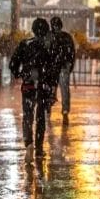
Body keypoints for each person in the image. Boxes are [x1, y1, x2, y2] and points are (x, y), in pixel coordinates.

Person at [9, 18, 62, 153]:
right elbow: (54, 69)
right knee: (40, 116)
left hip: (28, 85)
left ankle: (28, 143)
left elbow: (13, 63)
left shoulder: (25, 44)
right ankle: (39, 146)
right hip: (43, 86)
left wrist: (19, 73)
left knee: (27, 115)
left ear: (32, 30)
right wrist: (52, 86)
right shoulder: (50, 47)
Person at [50, 16, 76, 120]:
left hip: (54, 67)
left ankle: (49, 107)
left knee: (52, 88)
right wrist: (69, 65)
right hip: (63, 66)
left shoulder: (50, 37)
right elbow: (72, 53)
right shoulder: (67, 37)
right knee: (64, 89)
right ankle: (65, 110)